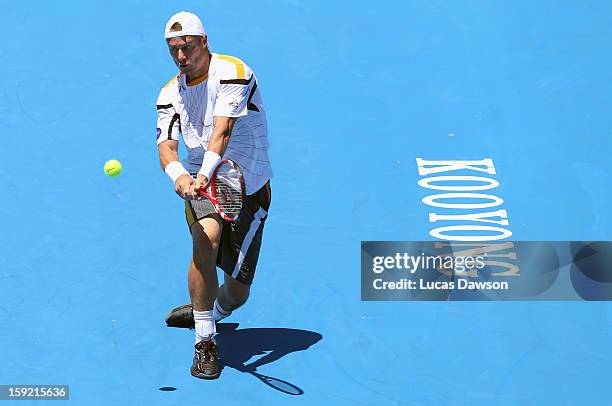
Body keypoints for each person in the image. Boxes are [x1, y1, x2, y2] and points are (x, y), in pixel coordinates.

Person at [156, 11, 273, 380]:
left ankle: (208, 309)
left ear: (204, 42)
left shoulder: (234, 73)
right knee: (204, 237)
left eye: (187, 47)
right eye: (173, 50)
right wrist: (180, 177)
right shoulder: (169, 93)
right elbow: (166, 148)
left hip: (248, 183)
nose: (180, 57)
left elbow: (221, 131)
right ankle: (205, 341)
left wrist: (205, 174)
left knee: (238, 293)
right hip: (199, 181)